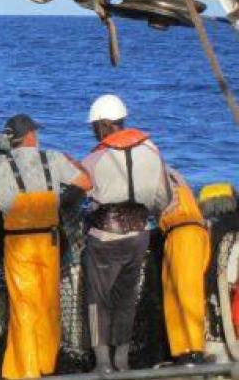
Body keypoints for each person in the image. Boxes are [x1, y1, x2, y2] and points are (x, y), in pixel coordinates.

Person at [0, 114, 91, 380]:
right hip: (48, 242)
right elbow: (85, 183)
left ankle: (23, 370)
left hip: (17, 243)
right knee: (49, 305)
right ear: (31, 135)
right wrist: (60, 204)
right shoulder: (52, 158)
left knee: (23, 307)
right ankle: (46, 367)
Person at [81, 94, 171, 374]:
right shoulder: (152, 152)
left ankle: (103, 362)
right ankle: (122, 360)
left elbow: (84, 197)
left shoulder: (95, 157)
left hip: (104, 238)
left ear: (103, 125)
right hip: (138, 236)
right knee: (126, 299)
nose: (93, 132)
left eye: (94, 127)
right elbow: (164, 198)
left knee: (98, 300)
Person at [159, 168, 209, 366]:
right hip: (183, 233)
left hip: (184, 234)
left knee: (187, 296)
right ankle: (183, 351)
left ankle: (194, 351)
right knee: (175, 295)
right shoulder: (173, 175)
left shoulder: (160, 177)